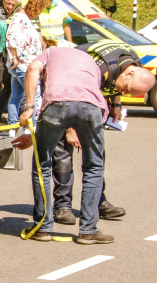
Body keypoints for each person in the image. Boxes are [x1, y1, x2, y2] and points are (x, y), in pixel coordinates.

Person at [13, 46, 155, 244]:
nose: (122, 92)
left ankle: (43, 227)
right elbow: (84, 94)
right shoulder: (91, 63)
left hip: (57, 104)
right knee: (94, 167)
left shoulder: (51, 53)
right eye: (127, 89)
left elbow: (32, 70)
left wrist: (29, 108)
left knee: (42, 165)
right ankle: (88, 230)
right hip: (92, 108)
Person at [52, 41, 144, 225]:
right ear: (130, 73)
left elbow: (116, 81)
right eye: (126, 89)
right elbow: (68, 92)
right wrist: (69, 129)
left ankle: (98, 202)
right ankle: (62, 206)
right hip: (64, 96)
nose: (123, 91)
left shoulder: (130, 63)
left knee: (96, 157)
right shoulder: (97, 67)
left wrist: (116, 103)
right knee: (63, 153)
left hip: (90, 102)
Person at [6, 0, 50, 127]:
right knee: (34, 97)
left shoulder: (23, 18)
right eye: (40, 10)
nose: (40, 14)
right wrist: (14, 57)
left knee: (16, 96)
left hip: (23, 63)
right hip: (24, 64)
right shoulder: (20, 19)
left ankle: (12, 125)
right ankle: (33, 126)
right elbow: (11, 38)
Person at [0, 0, 23, 126]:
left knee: (8, 89)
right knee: (8, 89)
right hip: (7, 59)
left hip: (12, 60)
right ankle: (1, 119)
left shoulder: (16, 25)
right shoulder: (3, 25)